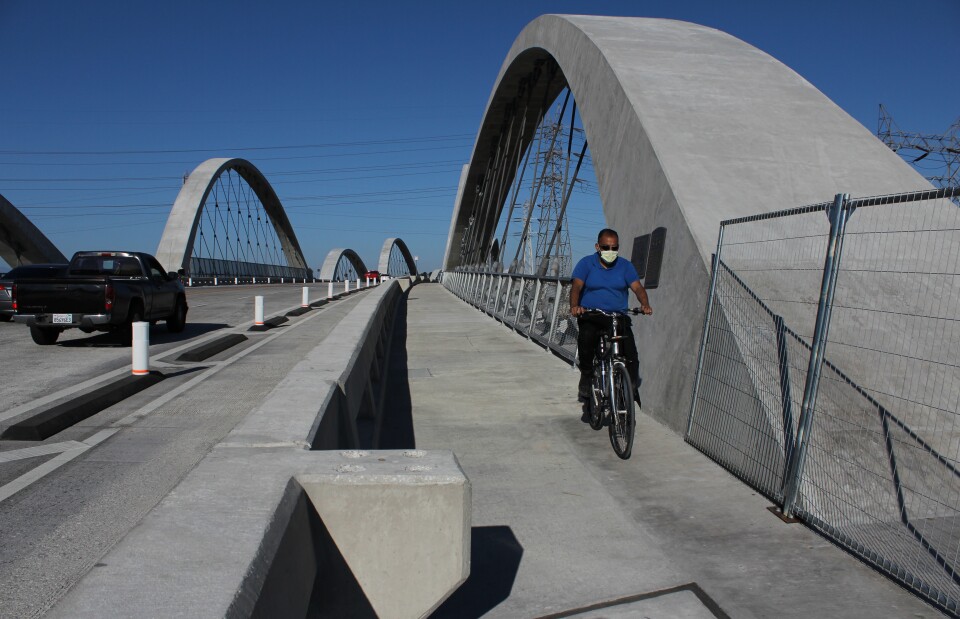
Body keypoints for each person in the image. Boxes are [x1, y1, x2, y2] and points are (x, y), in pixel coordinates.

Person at [569, 228, 652, 410]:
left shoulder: (625, 266)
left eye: (615, 248)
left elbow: (638, 288)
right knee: (586, 339)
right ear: (597, 246)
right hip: (591, 314)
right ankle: (587, 375)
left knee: (631, 353)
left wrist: (645, 304)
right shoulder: (586, 264)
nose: (610, 252)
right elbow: (576, 286)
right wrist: (575, 306)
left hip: (617, 315)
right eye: (606, 247)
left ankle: (628, 390)